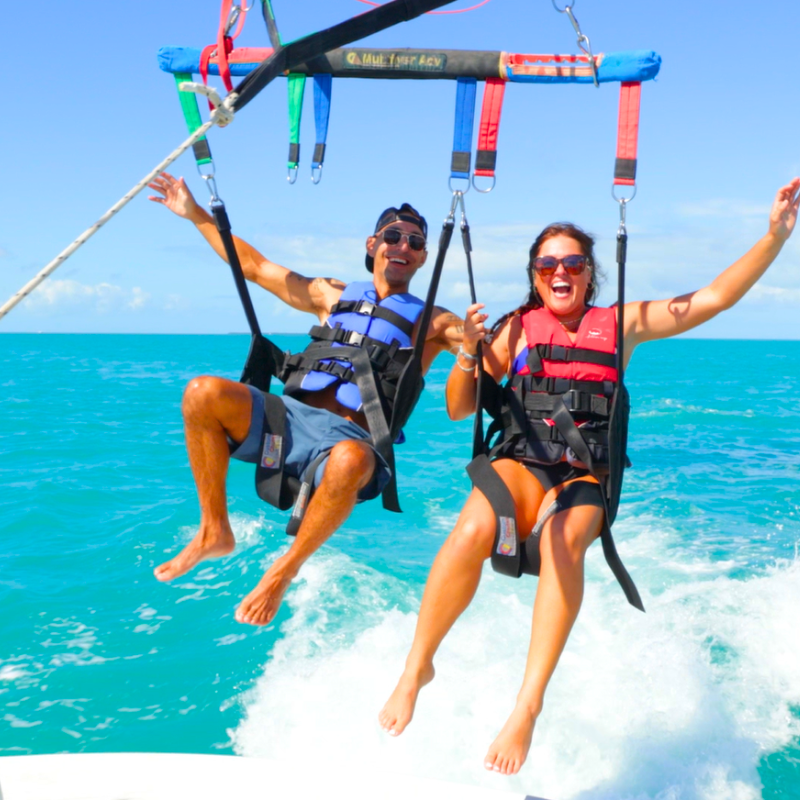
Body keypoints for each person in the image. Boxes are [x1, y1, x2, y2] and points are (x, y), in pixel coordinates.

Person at [379, 179, 800, 775]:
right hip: (523, 460)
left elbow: (712, 300)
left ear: (588, 273)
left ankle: (527, 706)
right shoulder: (515, 329)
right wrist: (471, 350)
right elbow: (457, 406)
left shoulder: (620, 323)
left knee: (560, 544)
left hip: (583, 473)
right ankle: (416, 665)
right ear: (534, 274)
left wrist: (775, 236)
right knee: (474, 528)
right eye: (547, 263)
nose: (560, 271)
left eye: (572, 262)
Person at [147, 172, 463, 626]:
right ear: (373, 243)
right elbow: (255, 267)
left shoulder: (433, 320)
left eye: (415, 242)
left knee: (352, 459)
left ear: (424, 257)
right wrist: (196, 214)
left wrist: (473, 341)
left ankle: (283, 571)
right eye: (393, 236)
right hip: (289, 420)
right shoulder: (330, 294)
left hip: (352, 439)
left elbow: (489, 350)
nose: (403, 246)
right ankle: (214, 528)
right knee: (202, 393)